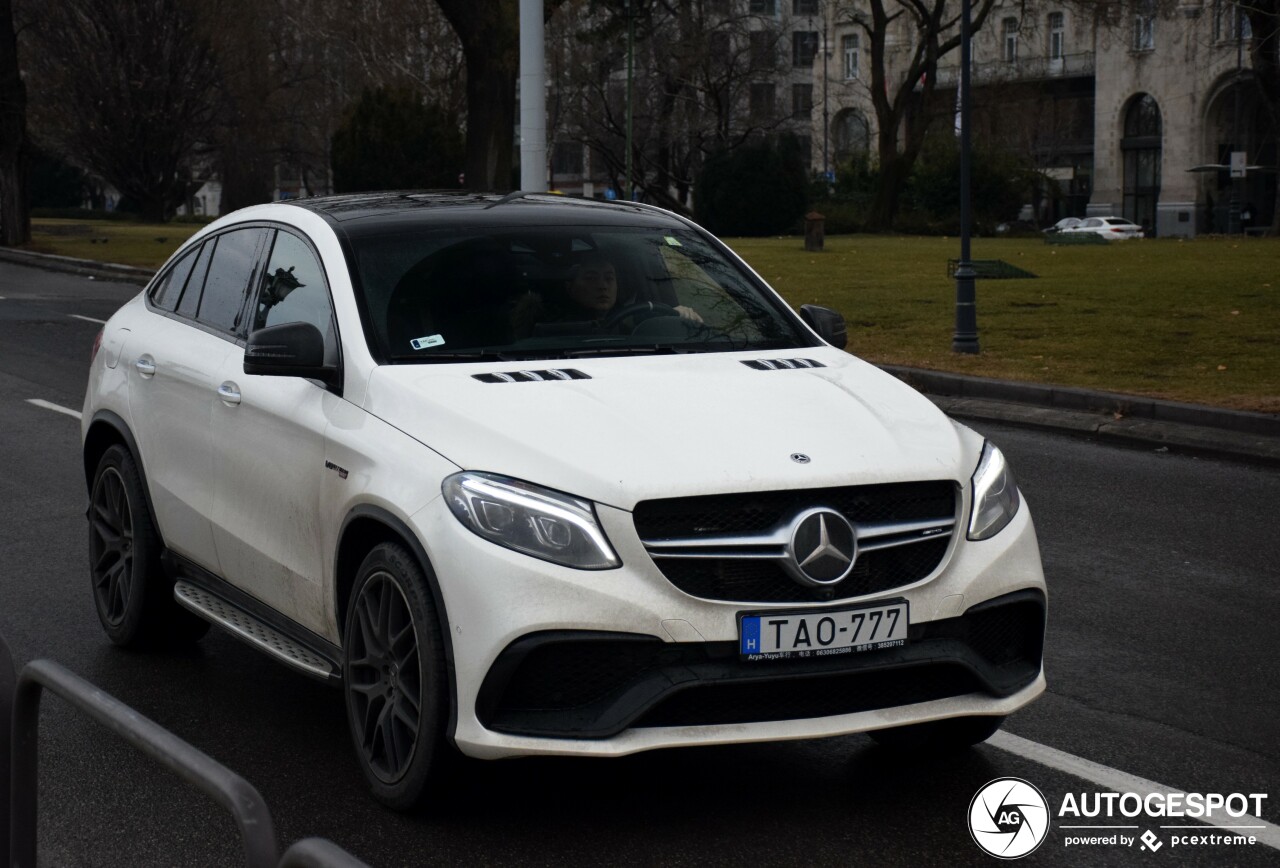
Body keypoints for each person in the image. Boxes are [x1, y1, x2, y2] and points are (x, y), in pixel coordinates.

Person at [513, 252, 701, 336]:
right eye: (591, 278)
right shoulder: (545, 327)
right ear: (569, 287)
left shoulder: (637, 322)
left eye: (609, 278)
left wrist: (677, 317)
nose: (602, 286)